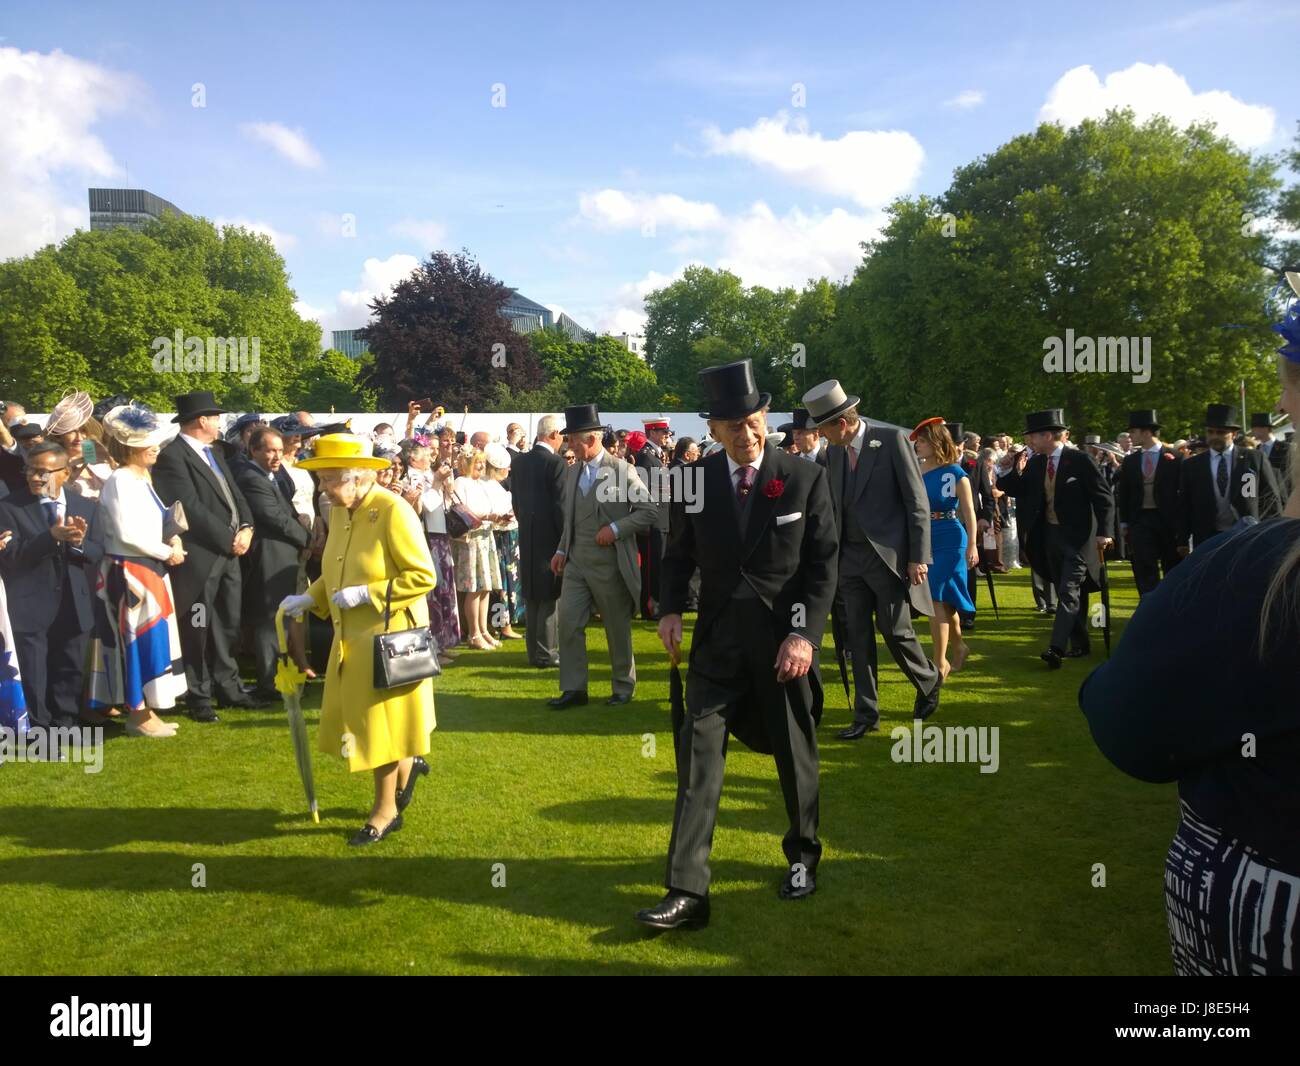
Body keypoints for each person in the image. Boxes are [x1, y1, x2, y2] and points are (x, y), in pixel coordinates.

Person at [637, 358, 837, 930]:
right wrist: (671, 608)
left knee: (796, 757)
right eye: (733, 428)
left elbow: (823, 564)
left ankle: (802, 860)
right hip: (715, 645)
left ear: (764, 416)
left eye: (753, 422)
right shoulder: (693, 484)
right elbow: (678, 555)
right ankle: (687, 891)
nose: (747, 436)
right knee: (697, 762)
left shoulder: (803, 477)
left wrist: (804, 635)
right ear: (714, 432)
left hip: (783, 646)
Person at [279, 434, 437, 846]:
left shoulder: (392, 510)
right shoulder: (340, 511)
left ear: (358, 477)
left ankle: (384, 811)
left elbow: (423, 576)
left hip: (390, 640)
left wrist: (369, 593)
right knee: (380, 723)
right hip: (351, 639)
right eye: (322, 480)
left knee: (379, 727)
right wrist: (309, 597)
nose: (324, 489)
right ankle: (411, 760)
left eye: (330, 479)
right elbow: (336, 573)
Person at [802, 379, 941, 737]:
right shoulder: (831, 453)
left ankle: (928, 680)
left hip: (887, 558)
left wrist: (918, 557)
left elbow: (916, 503)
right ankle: (866, 716)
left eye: (823, 429)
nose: (820, 436)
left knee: (895, 630)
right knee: (856, 639)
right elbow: (833, 507)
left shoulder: (892, 441)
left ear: (842, 424)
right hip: (847, 560)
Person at [150, 391, 260, 722]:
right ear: (202, 420)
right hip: (200, 560)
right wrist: (229, 539)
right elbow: (188, 507)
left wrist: (247, 526)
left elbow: (235, 495)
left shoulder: (214, 453)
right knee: (197, 625)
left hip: (228, 557)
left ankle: (229, 686)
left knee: (227, 623)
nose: (219, 422)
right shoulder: (173, 457)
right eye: (215, 417)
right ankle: (199, 694)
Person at [86, 405, 188, 737]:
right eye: (149, 442)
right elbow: (126, 532)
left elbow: (154, 522)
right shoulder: (120, 480)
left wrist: (171, 539)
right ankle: (138, 715)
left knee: (152, 640)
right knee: (136, 641)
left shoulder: (139, 478)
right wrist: (166, 551)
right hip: (130, 572)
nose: (156, 447)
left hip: (147, 570)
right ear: (131, 446)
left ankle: (148, 711)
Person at [547, 404, 658, 708]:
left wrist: (616, 528)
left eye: (572, 440)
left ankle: (623, 686)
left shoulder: (621, 469)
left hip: (610, 563)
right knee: (568, 623)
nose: (568, 445)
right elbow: (569, 519)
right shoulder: (571, 473)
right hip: (575, 563)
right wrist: (560, 549)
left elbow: (649, 510)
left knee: (616, 627)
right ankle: (574, 688)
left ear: (592, 439)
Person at [0, 442, 103, 755]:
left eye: (44, 472)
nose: (36, 477)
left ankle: (66, 723)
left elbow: (98, 552)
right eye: (31, 470)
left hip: (75, 601)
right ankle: (39, 731)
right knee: (35, 671)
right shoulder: (9, 507)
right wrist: (50, 538)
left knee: (70, 667)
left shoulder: (85, 506)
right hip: (31, 602)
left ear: (65, 472)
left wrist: (79, 543)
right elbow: (11, 556)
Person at [996, 409, 1114, 669]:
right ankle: (1080, 644)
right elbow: (1018, 490)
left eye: (1033, 437)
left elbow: (1103, 497)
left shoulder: (1080, 460)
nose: (1029, 441)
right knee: (1073, 591)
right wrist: (1005, 471)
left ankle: (1056, 647)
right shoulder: (1037, 463)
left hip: (1078, 538)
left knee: (1067, 591)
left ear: (1048, 435)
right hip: (1048, 536)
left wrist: (1105, 532)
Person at [234, 427, 312, 701]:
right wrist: (307, 538)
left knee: (284, 618)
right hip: (269, 554)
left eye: (280, 450)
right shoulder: (250, 477)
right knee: (269, 620)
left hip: (284, 553)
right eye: (270, 450)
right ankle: (269, 682)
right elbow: (273, 517)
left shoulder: (273, 474)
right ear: (254, 450)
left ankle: (281, 676)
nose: (277, 456)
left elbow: (286, 510)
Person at [911, 419, 978, 677]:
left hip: (951, 538)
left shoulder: (956, 473)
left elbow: (969, 512)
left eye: (924, 440)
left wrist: (972, 545)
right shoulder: (915, 470)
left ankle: (940, 663)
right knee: (945, 599)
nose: (918, 445)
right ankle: (959, 646)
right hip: (925, 538)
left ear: (937, 442)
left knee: (936, 599)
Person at [1177, 403, 1281, 552]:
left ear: (1234, 434)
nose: (1214, 437)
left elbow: (1270, 498)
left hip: (1247, 535)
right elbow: (1185, 505)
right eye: (1210, 432)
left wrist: (1271, 532)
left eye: (1220, 432)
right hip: (1207, 537)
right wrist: (1182, 539)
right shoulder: (1193, 465)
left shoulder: (1254, 459)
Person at [511, 416, 566, 668]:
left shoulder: (520, 461)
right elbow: (561, 507)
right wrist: (566, 539)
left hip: (528, 535)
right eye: (562, 434)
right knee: (550, 596)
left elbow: (516, 502)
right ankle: (547, 653)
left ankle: (534, 652)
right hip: (551, 538)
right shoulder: (556, 462)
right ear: (554, 434)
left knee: (533, 595)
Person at [1116, 410, 1182, 597]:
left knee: (1172, 564)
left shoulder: (1175, 457)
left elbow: (1183, 493)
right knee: (1143, 565)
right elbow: (1125, 493)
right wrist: (1124, 522)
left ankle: (1170, 604)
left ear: (1146, 433)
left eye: (1133, 432)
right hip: (1140, 519)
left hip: (1168, 520)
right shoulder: (1131, 461)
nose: (1130, 436)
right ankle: (1147, 603)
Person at [451, 448, 503, 650]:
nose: (481, 466)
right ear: (465, 463)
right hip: (470, 540)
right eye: (477, 462)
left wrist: (497, 516)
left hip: (485, 536)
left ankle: (483, 630)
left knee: (485, 586)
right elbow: (464, 512)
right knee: (473, 587)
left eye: (482, 462)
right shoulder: (460, 482)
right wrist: (487, 516)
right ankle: (473, 633)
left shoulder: (480, 484)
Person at [632, 416, 672, 621]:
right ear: (653, 432)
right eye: (664, 432)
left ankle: (656, 603)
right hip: (652, 520)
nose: (667, 436)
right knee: (651, 567)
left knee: (659, 565)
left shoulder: (655, 455)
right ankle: (650, 606)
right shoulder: (646, 457)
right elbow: (645, 492)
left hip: (660, 519)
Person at [483, 443, 523, 641]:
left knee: (506, 583)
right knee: (501, 584)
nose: (508, 470)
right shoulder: (487, 487)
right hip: (500, 538)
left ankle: (502, 624)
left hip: (508, 536)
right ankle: (500, 624)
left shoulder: (495, 486)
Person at [1250, 412, 1290, 502]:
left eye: (1254, 428)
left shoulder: (1286, 448)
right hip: (1262, 499)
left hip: (1282, 497)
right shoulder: (1256, 450)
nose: (1252, 431)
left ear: (1265, 428)